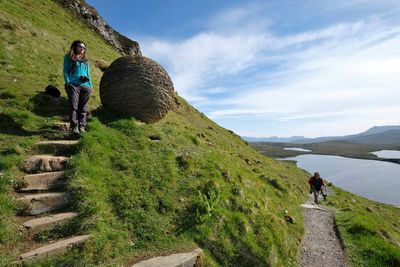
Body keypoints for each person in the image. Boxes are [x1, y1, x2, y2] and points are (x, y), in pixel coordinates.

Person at [63, 40, 92, 134]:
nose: (82, 49)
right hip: (73, 84)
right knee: (73, 106)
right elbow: (65, 71)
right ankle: (74, 126)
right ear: (75, 47)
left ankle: (82, 126)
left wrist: (90, 85)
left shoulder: (86, 61)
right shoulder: (69, 57)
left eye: (84, 48)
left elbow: (88, 74)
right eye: (80, 46)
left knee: (83, 107)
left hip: (86, 86)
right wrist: (68, 82)